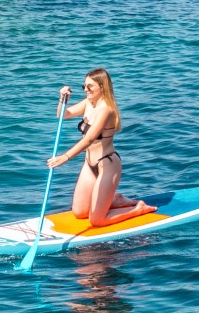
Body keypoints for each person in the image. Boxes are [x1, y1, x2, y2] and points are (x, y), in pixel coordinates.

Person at [48, 68, 154, 227]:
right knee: (79, 212)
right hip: (89, 164)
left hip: (107, 165)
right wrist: (63, 100)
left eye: (89, 86)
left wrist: (65, 157)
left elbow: (90, 139)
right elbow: (63, 115)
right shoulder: (88, 103)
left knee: (96, 221)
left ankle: (139, 208)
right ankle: (115, 200)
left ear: (102, 87)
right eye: (83, 86)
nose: (85, 90)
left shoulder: (106, 110)